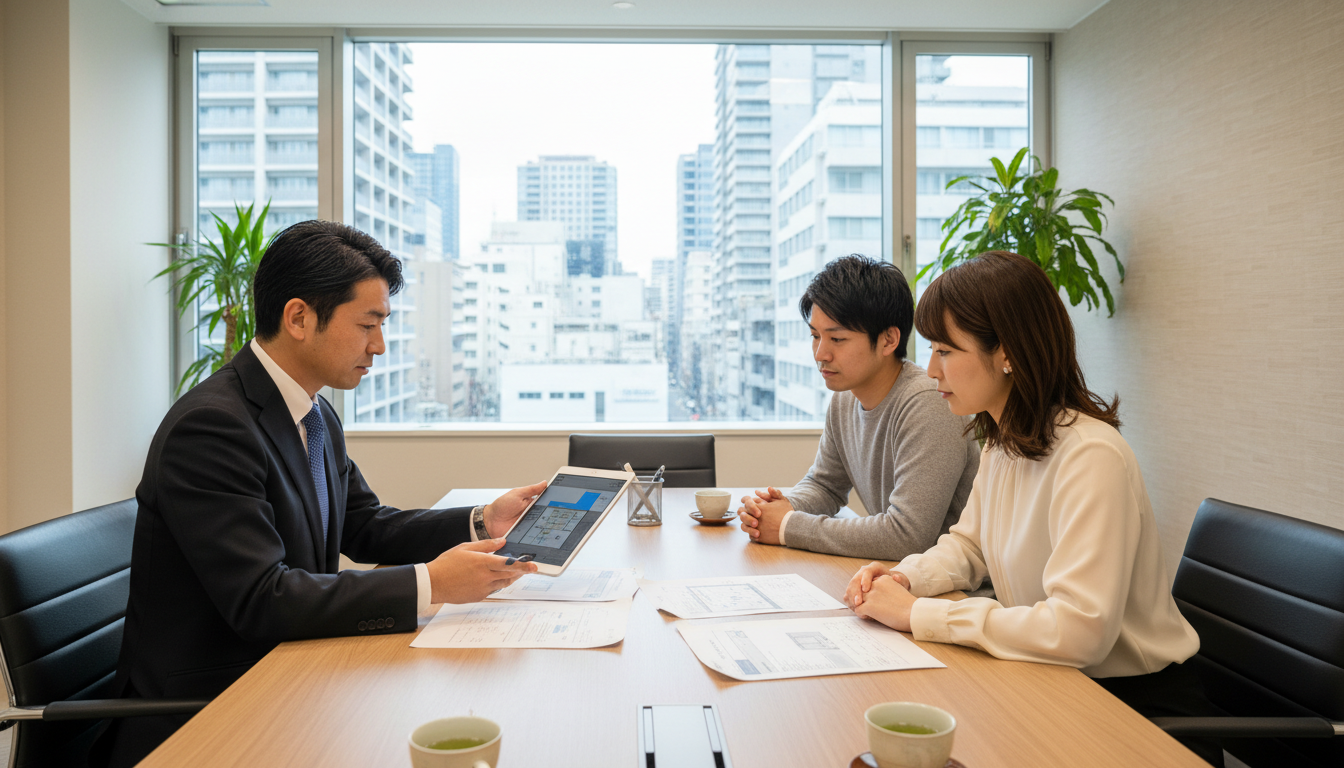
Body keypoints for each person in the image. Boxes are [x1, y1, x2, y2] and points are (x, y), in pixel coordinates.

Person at [98, 221, 545, 767]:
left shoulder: (312, 412)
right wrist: (433, 583)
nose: (378, 346)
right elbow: (264, 600)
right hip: (209, 714)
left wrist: (481, 520)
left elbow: (366, 524)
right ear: (299, 318)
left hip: (293, 675)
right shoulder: (212, 428)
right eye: (367, 324)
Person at [843, 251, 1222, 766]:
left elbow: (1077, 630)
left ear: (1008, 353)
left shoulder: (1091, 455)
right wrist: (906, 578)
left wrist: (919, 614)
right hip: (1056, 682)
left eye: (946, 350)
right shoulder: (1005, 439)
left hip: (1139, 713)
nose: (930, 369)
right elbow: (968, 545)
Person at [737, 255, 979, 560]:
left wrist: (787, 525)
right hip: (898, 580)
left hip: (953, 594)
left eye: (837, 339)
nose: (820, 354)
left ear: (889, 340)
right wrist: (779, 508)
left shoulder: (929, 403)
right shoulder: (845, 398)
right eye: (815, 336)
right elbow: (826, 485)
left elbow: (907, 536)